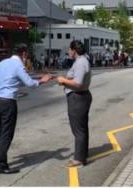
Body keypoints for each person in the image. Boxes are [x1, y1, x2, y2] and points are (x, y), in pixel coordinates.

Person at [0, 44, 52, 174]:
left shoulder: (2, 63)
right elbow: (30, 83)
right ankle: (1, 165)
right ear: (24, 54)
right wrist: (43, 80)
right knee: (6, 133)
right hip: (8, 101)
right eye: (26, 56)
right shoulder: (18, 65)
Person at [55, 40, 92, 168]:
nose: (69, 53)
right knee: (81, 128)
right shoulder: (80, 61)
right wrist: (64, 79)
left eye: (69, 50)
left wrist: (63, 80)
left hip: (78, 97)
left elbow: (78, 83)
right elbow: (75, 79)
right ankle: (82, 154)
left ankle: (79, 159)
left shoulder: (81, 62)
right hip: (79, 97)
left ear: (73, 50)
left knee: (78, 130)